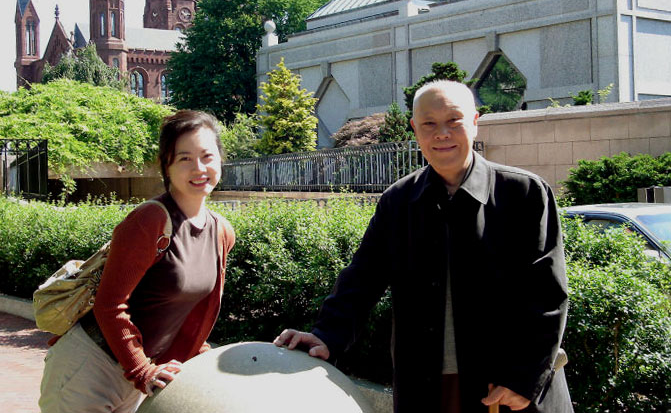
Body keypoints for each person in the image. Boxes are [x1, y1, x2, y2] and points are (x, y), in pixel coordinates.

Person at [274, 80, 573, 413]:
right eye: (429, 123)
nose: (442, 133)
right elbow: (362, 278)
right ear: (415, 129)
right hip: (426, 388)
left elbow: (548, 294)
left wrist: (524, 378)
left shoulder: (524, 194)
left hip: (506, 391)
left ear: (475, 122)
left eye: (454, 120)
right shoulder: (398, 201)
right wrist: (326, 335)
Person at [39, 110, 236, 413]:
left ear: (220, 159)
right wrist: (142, 370)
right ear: (166, 165)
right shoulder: (150, 220)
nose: (199, 168)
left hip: (137, 373)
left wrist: (195, 359)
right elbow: (109, 304)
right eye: (184, 158)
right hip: (90, 365)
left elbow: (196, 313)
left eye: (207, 156)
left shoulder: (221, 231)